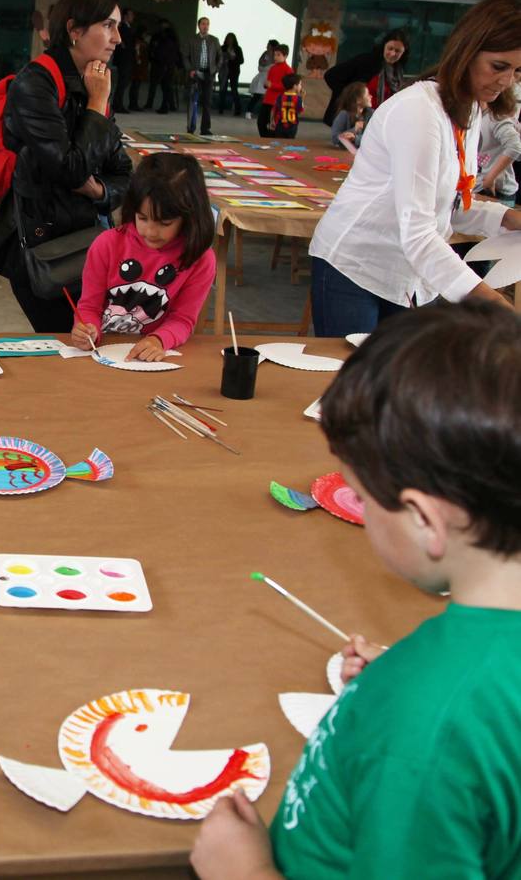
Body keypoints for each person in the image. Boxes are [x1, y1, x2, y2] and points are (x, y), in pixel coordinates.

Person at [190, 300, 521, 880]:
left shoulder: (421, 731)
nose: (359, 511)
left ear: (424, 518)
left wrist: (241, 872)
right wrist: (406, 673)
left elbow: (442, 741)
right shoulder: (467, 668)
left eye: (361, 497)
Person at [308, 0, 521, 338]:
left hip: (408, 274)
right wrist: (489, 300)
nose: (507, 81)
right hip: (355, 265)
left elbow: (443, 206)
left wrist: (505, 218)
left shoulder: (471, 110)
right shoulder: (419, 112)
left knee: (402, 382)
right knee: (355, 383)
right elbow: (420, 231)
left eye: (517, 71)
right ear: (466, 53)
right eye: (499, 67)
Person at [0, 0, 134, 332]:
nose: (117, 38)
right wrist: (96, 104)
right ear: (75, 30)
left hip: (87, 236)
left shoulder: (96, 79)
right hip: (45, 245)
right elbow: (71, 169)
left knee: (90, 342)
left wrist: (99, 193)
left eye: (118, 26)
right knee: (66, 341)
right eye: (108, 25)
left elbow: (122, 170)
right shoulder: (35, 85)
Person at [70, 153, 215, 361]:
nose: (150, 231)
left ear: (190, 218)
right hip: (103, 351)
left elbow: (183, 319)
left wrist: (159, 340)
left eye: (164, 223)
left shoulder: (199, 259)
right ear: (133, 208)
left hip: (153, 356)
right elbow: (89, 307)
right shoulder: (107, 244)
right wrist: (86, 328)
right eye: (142, 218)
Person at [321, 29, 410, 124]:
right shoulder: (367, 61)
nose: (392, 54)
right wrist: (349, 97)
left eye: (398, 51)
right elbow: (331, 76)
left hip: (377, 120)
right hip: (354, 120)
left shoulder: (398, 71)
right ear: (384, 46)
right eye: (390, 48)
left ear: (403, 53)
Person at [474, 97, 520, 205]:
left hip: (496, 191)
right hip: (477, 185)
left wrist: (490, 177)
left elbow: (515, 146)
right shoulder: (474, 117)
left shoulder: (496, 118)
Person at [184, 16, 220, 135]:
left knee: (207, 102)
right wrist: (190, 69)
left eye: (207, 24)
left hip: (209, 74)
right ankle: (191, 127)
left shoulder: (214, 40)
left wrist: (215, 69)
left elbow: (220, 57)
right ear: (199, 26)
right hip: (196, 73)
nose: (205, 26)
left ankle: (205, 128)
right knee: (193, 101)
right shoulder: (192, 39)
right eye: (203, 24)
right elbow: (185, 56)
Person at [257, 44, 292, 137]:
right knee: (261, 122)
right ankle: (265, 138)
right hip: (267, 99)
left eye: (278, 55)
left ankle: (270, 140)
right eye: (275, 54)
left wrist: (272, 85)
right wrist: (266, 84)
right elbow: (268, 82)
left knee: (273, 124)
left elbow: (287, 86)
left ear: (285, 56)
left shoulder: (288, 70)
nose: (275, 57)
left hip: (277, 101)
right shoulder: (272, 68)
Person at [330, 81, 372, 151]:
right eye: (367, 94)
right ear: (358, 100)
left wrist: (355, 138)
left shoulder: (370, 114)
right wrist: (354, 130)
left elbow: (372, 138)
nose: (371, 96)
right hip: (345, 154)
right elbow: (335, 138)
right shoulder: (343, 115)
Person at [149, 22, 181, 114]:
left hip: (165, 66)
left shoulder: (165, 42)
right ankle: (168, 105)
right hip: (170, 66)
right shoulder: (174, 42)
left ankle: (165, 107)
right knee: (167, 87)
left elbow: (161, 54)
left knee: (166, 87)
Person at [111, 8, 136, 114]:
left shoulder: (129, 28)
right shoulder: (122, 28)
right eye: (130, 15)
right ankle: (117, 104)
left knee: (124, 82)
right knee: (122, 82)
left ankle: (118, 103)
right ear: (125, 16)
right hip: (124, 59)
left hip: (128, 58)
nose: (132, 17)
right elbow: (123, 45)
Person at [271, 73, 303, 138]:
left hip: (280, 125)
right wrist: (302, 98)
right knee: (289, 143)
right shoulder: (298, 98)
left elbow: (274, 110)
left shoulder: (280, 97)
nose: (301, 86)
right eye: (300, 84)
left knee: (278, 141)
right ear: (294, 86)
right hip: (292, 126)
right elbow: (300, 110)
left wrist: (272, 120)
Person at [219, 32, 243, 116]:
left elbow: (241, 60)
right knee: (222, 89)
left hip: (234, 71)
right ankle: (221, 108)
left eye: (231, 39)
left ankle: (238, 109)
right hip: (223, 71)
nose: (229, 40)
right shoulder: (222, 48)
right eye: (228, 39)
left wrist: (233, 58)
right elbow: (218, 58)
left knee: (234, 90)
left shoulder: (237, 49)